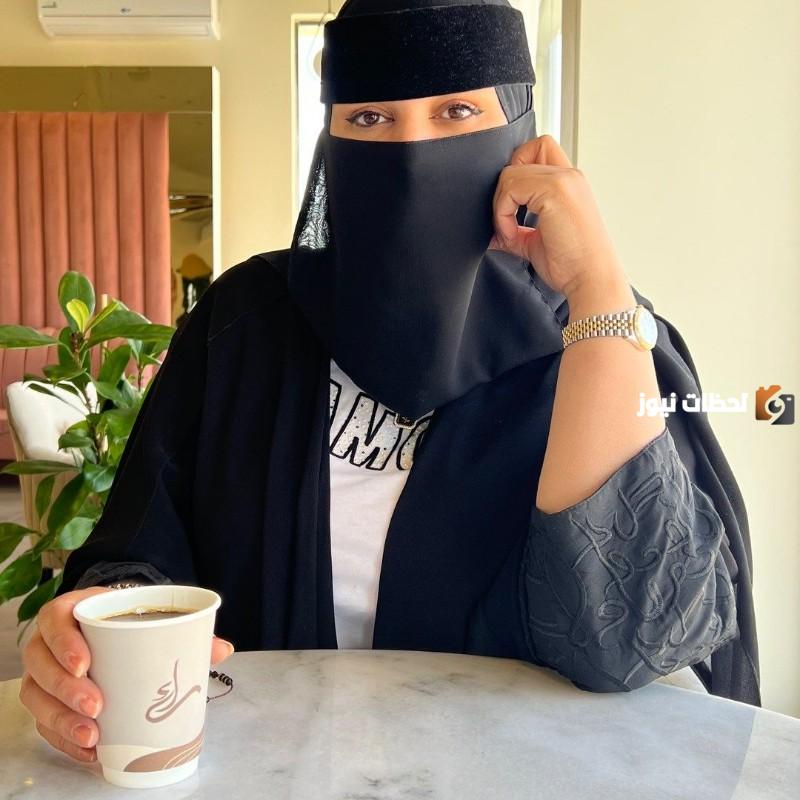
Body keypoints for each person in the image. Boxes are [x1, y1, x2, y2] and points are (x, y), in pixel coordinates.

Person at [18, 0, 760, 766]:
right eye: (369, 118)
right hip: (269, 771)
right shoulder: (245, 322)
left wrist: (597, 288)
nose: (411, 152)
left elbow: (630, 640)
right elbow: (140, 548)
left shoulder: (604, 339)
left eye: (457, 111)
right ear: (331, 138)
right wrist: (93, 628)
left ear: (523, 138)